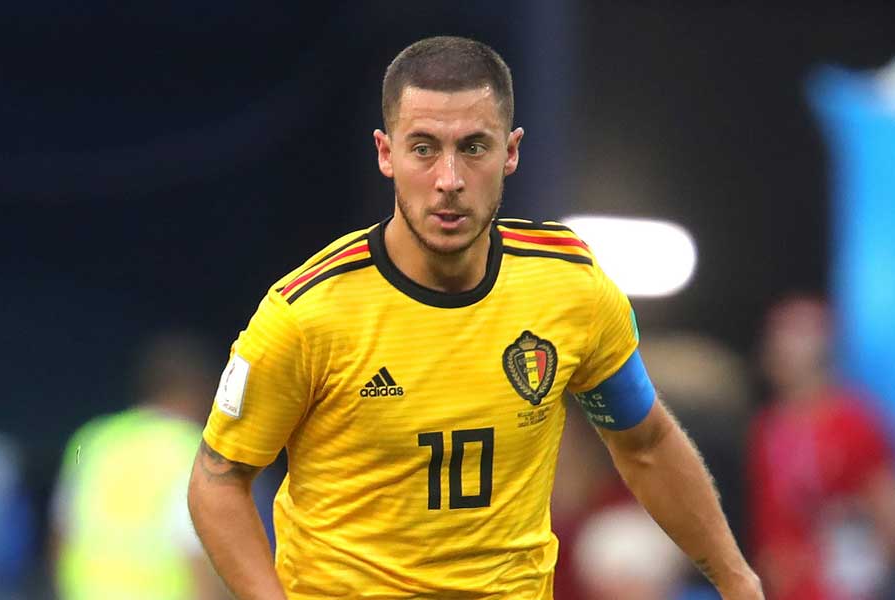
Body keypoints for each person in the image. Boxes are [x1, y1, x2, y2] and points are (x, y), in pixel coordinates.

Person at [187, 36, 763, 599]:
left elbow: (646, 443)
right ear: (386, 153)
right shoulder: (306, 314)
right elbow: (217, 482)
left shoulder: (571, 288)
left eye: (473, 147)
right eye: (423, 148)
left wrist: (738, 581)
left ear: (510, 152)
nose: (449, 180)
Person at [51, 333, 226, 600]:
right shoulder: (191, 449)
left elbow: (61, 533)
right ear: (199, 393)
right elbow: (195, 553)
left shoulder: (93, 438)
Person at [747, 296, 895, 600]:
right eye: (777, 333)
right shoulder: (766, 427)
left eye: (796, 334)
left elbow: (885, 511)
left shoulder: (854, 422)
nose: (782, 344)